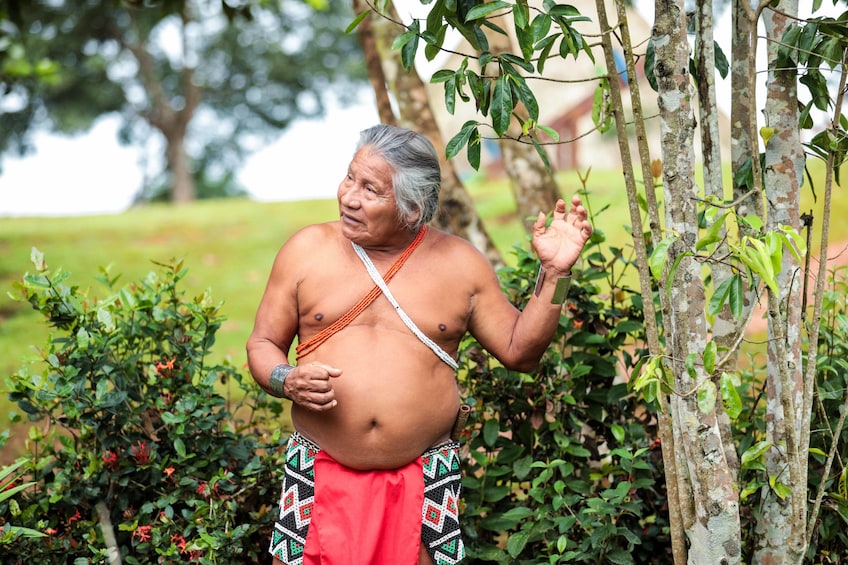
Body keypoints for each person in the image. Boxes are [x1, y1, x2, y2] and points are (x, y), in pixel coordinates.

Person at [246, 124, 592, 565]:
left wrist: (556, 276)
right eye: (350, 178)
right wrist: (286, 379)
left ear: (411, 208)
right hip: (318, 473)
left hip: (426, 477)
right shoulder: (306, 250)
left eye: (371, 189)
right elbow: (261, 344)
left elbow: (520, 352)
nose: (349, 196)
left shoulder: (461, 264)